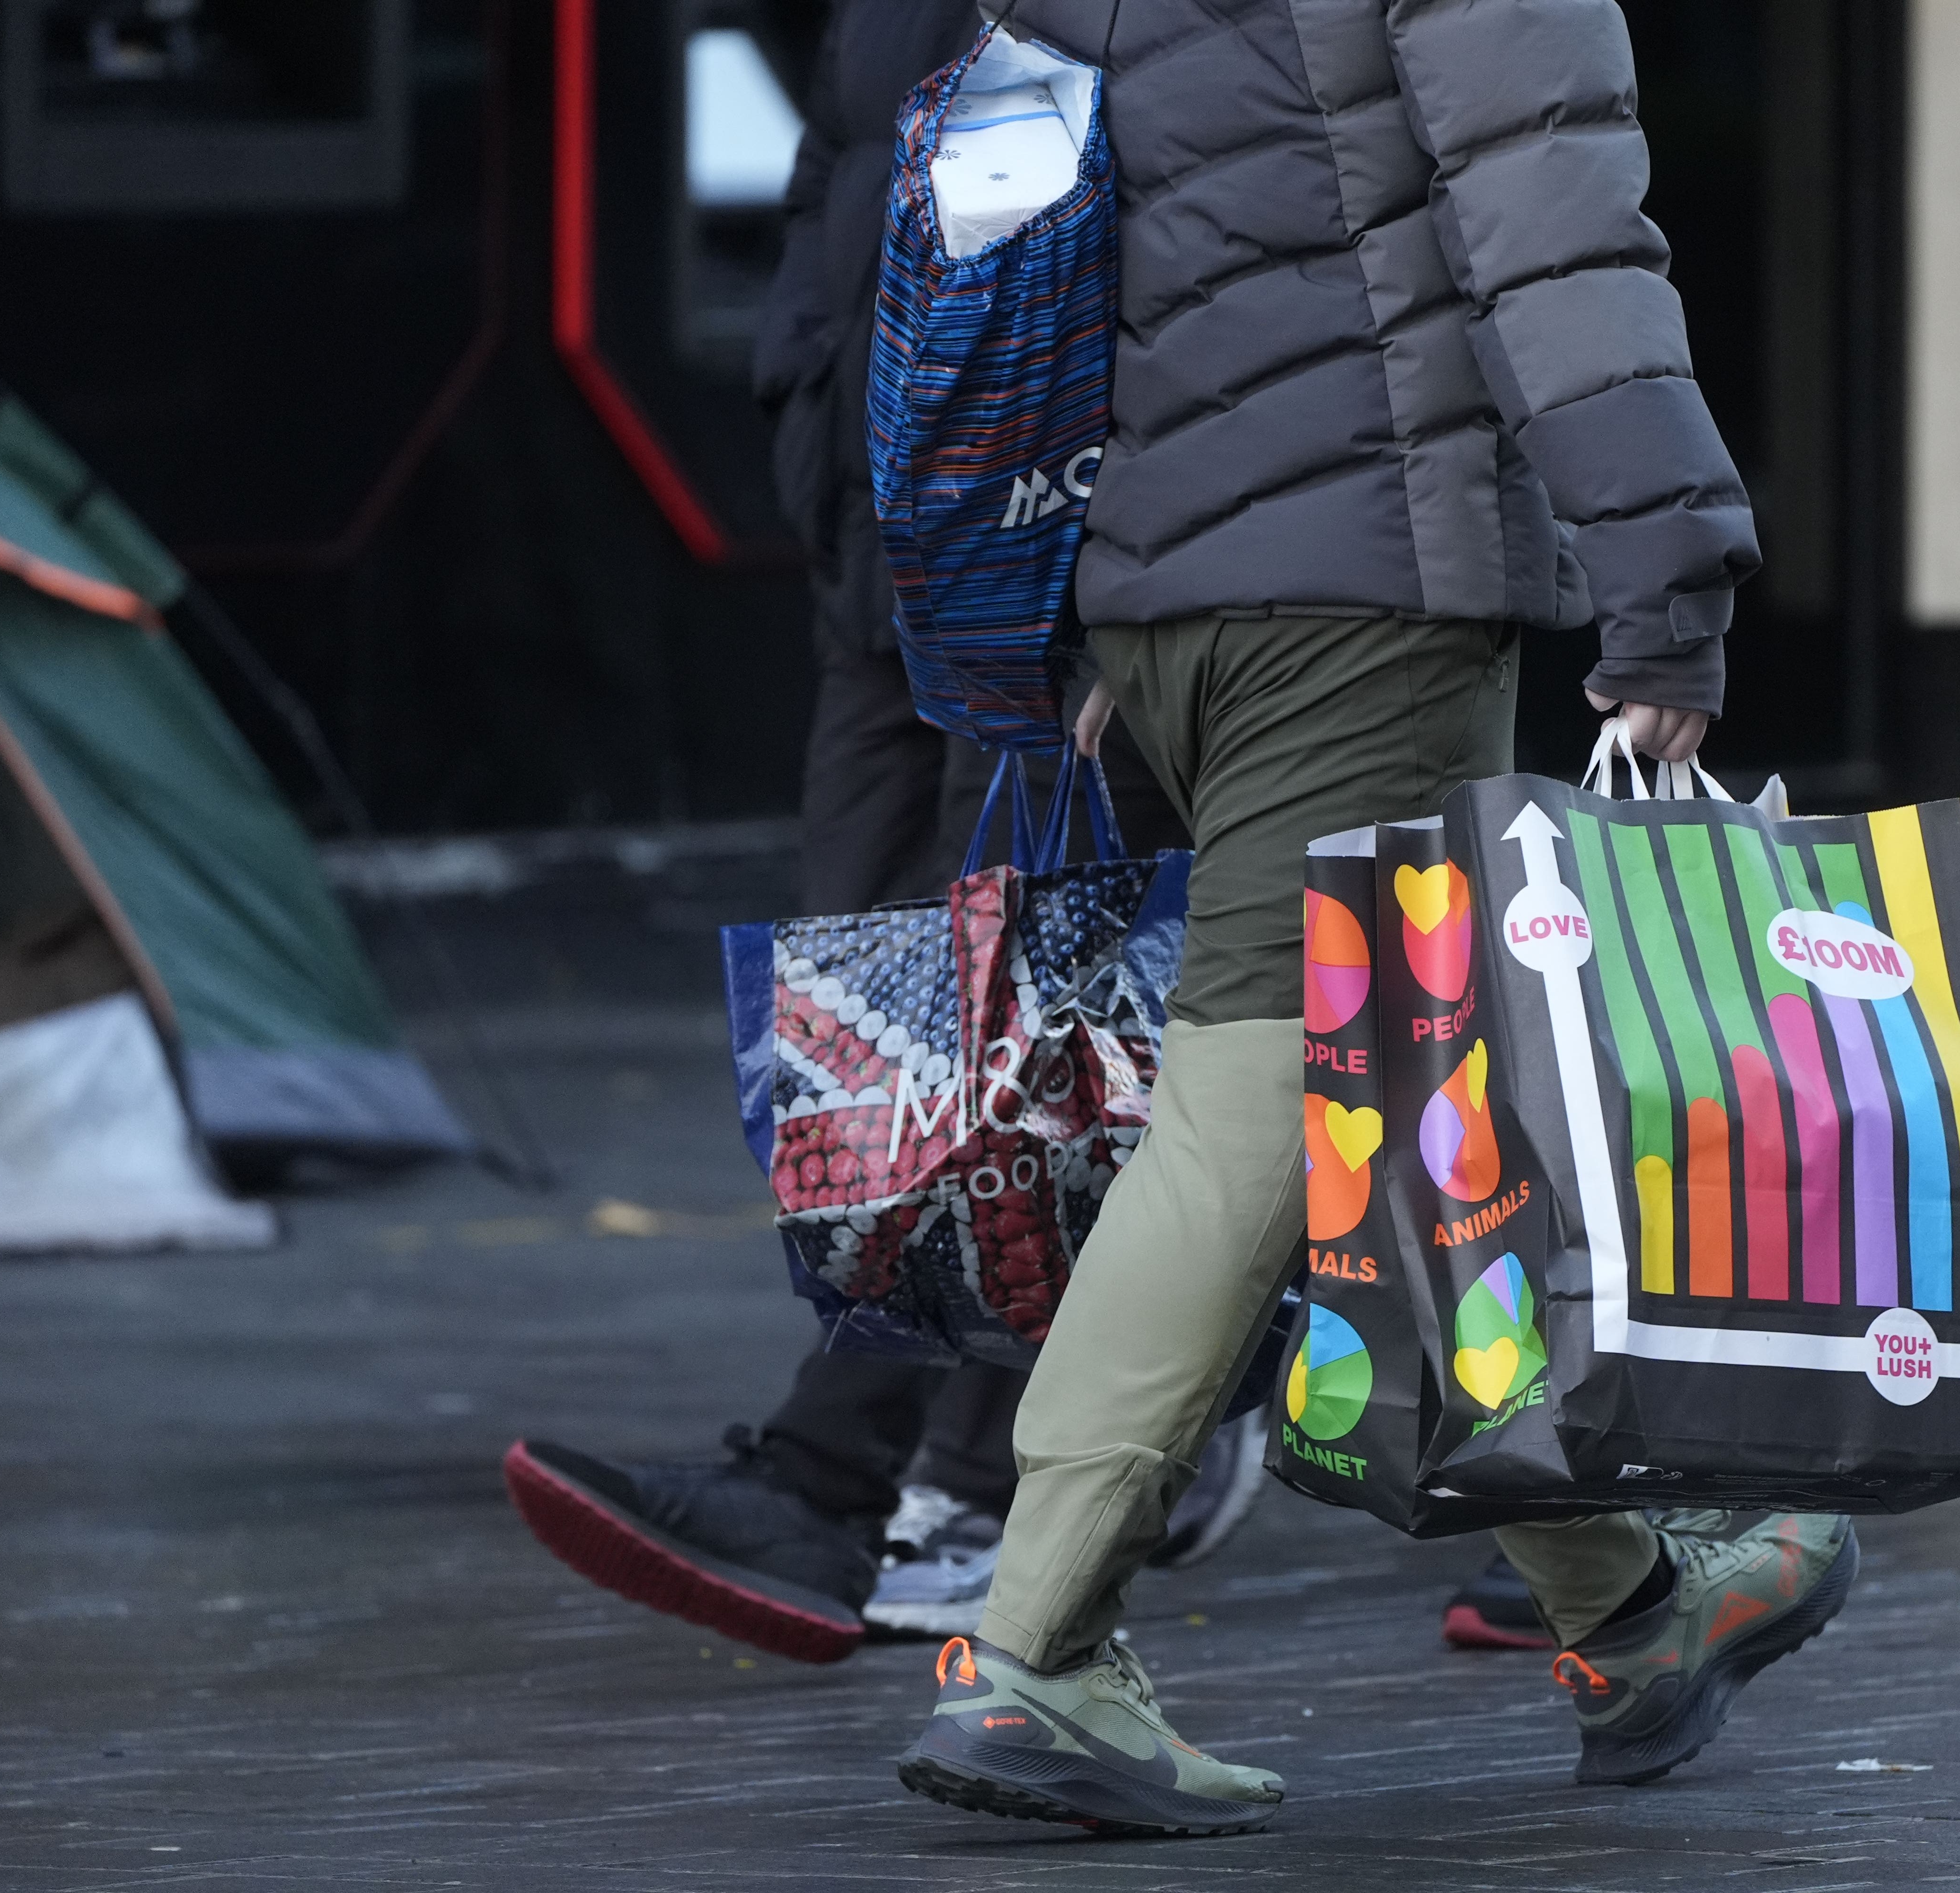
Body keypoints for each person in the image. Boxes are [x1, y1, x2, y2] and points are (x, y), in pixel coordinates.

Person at [892, 0, 1858, 1836]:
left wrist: (1084, 609)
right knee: (1265, 1113)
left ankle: (1635, 1605)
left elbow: (1044, 205)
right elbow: (1553, 214)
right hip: (1364, 596)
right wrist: (1669, 585)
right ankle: (1030, 1647)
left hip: (1169, 599)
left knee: (1416, 1136)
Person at [499, 0, 1256, 1665]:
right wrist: (808, 409)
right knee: (873, 1011)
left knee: (1009, 1037)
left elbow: (1202, 205)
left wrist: (1109, 537)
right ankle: (1062, 1435)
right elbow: (838, 168)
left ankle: (885, 1484)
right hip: (880, 557)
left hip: (1048, 562)